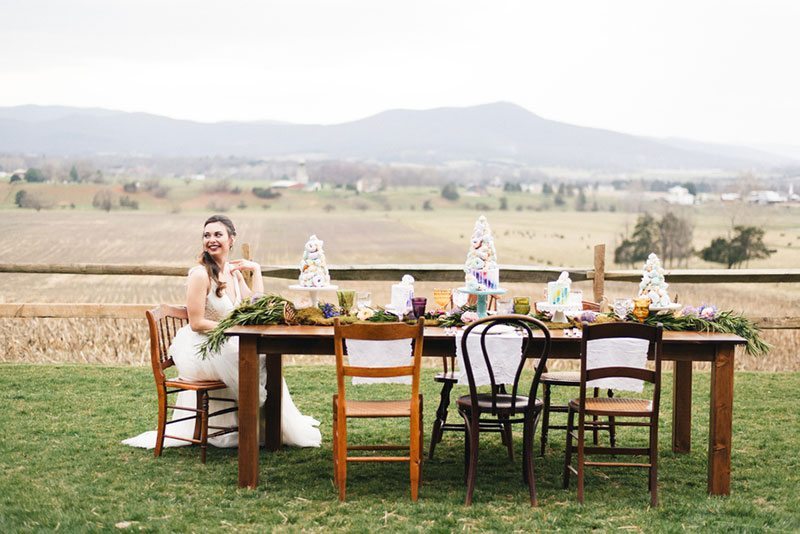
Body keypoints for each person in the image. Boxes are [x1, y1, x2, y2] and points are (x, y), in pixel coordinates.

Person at [124, 215, 321, 449]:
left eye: (218, 234)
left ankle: (269, 427)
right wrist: (232, 329)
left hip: (225, 340)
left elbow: (255, 303)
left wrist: (256, 270)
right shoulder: (200, 274)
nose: (211, 240)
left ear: (231, 239)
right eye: (207, 235)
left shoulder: (233, 272)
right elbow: (197, 322)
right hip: (202, 345)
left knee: (266, 357)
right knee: (249, 358)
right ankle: (251, 426)